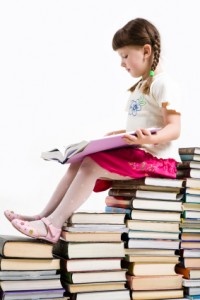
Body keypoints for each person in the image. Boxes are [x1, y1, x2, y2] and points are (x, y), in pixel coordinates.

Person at [4, 18, 181, 244]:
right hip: (142, 152)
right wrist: (120, 134)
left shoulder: (164, 84)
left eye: (125, 56)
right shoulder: (141, 86)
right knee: (80, 159)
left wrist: (151, 137)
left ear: (146, 51)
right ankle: (44, 216)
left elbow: (174, 128)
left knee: (92, 164)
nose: (122, 63)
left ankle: (53, 226)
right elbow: (143, 124)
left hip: (160, 162)